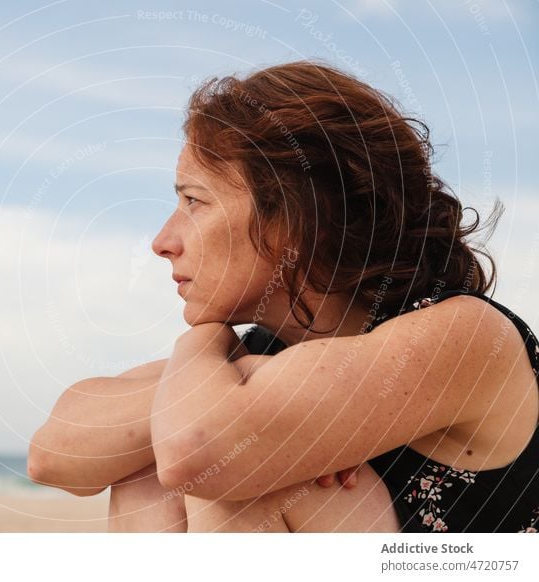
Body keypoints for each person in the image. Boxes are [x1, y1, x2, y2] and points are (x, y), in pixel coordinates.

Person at [28, 59, 539, 533]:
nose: (162, 242)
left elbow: (198, 448)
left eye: (193, 201)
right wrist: (209, 347)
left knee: (242, 480)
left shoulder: (464, 333)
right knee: (154, 465)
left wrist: (215, 374)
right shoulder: (257, 353)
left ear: (295, 221)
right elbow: (53, 456)